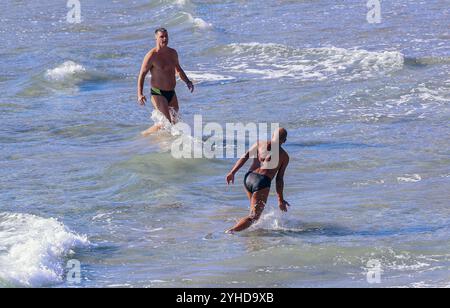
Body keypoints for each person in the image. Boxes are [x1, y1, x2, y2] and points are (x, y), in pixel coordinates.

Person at [225, 128, 291, 233]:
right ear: (284, 140)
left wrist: (232, 172)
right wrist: (280, 200)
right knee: (254, 217)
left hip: (249, 177)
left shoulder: (260, 143)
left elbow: (245, 156)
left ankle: (251, 234)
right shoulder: (284, 156)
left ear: (273, 135)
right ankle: (231, 231)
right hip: (262, 182)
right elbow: (279, 179)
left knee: (254, 213)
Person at [137, 28, 194, 136]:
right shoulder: (151, 55)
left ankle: (163, 140)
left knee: (175, 121)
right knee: (166, 122)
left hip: (171, 92)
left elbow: (178, 70)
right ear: (156, 38)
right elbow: (142, 75)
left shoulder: (172, 53)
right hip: (158, 92)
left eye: (166, 36)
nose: (165, 39)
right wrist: (139, 94)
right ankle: (144, 134)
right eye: (162, 37)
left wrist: (187, 81)